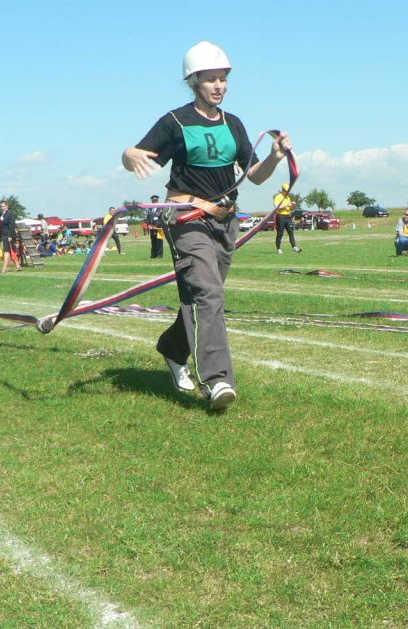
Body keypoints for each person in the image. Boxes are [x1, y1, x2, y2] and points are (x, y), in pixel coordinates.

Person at [121, 40, 293, 411]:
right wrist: (128, 154)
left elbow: (256, 176)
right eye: (211, 79)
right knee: (209, 295)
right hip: (187, 221)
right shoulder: (175, 121)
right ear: (193, 81)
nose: (219, 86)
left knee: (201, 296)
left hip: (224, 223)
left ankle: (172, 348)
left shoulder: (234, 124)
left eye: (223, 79)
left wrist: (276, 158)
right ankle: (217, 381)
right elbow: (135, 154)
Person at [273, 182, 301, 254]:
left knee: (291, 232)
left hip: (288, 216)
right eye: (286, 191)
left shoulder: (288, 197)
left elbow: (290, 209)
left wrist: (292, 206)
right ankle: (279, 249)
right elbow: (276, 207)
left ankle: (294, 247)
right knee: (280, 233)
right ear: (283, 190)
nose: (287, 193)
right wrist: (286, 204)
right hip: (280, 216)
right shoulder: (278, 197)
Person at [0, 200, 21, 272]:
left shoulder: (10, 214)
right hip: (3, 235)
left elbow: (12, 226)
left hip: (9, 235)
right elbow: (2, 226)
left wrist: (10, 236)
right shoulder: (2, 215)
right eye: (1, 206)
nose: (2, 207)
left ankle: (4, 268)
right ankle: (17, 266)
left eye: (3, 206)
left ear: (7, 206)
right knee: (10, 251)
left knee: (7, 251)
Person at [146, 194, 165, 258]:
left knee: (159, 242)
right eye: (153, 201)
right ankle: (153, 255)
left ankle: (159, 255)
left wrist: (157, 226)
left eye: (155, 200)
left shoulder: (161, 208)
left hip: (160, 228)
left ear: (157, 201)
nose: (154, 202)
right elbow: (148, 218)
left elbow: (162, 218)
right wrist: (148, 225)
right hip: (152, 228)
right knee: (153, 242)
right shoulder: (150, 209)